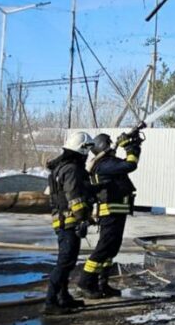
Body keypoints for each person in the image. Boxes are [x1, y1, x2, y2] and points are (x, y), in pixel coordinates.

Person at [78, 131, 140, 299]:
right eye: (110, 142)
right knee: (104, 248)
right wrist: (129, 147)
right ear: (103, 146)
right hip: (111, 211)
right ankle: (85, 281)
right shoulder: (104, 164)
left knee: (111, 250)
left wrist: (134, 145)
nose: (113, 144)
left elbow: (128, 163)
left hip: (118, 210)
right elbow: (130, 165)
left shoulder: (107, 162)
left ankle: (102, 283)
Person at [44, 131, 94, 315]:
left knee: (67, 261)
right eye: (87, 150)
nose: (88, 154)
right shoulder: (72, 169)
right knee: (65, 262)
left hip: (63, 220)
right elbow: (74, 197)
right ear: (81, 149)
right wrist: (82, 219)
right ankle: (50, 302)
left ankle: (63, 297)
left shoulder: (60, 168)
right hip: (70, 221)